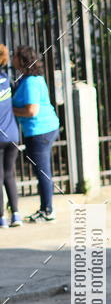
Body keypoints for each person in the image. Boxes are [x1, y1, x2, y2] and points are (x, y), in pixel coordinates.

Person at [11, 45, 60, 222]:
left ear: (22, 60)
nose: (12, 59)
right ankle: (45, 208)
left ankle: (47, 210)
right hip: (43, 128)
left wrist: (10, 110)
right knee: (42, 170)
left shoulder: (31, 82)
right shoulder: (30, 78)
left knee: (42, 172)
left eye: (15, 56)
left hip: (40, 130)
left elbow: (32, 111)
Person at [0, 44, 21, 228]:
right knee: (10, 175)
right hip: (12, 134)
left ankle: (1, 218)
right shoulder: (6, 79)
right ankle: (16, 214)